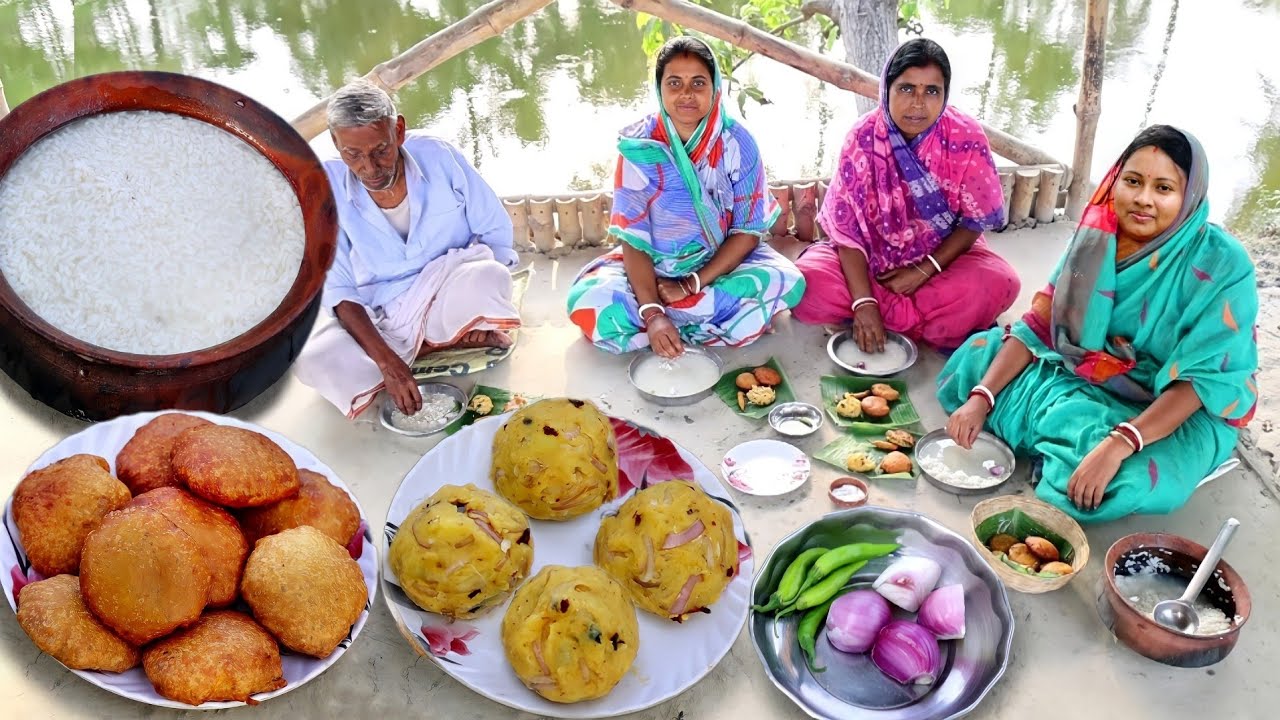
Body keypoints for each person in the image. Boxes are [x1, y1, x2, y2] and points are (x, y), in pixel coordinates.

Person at [939, 125, 1259, 523]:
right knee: (972, 363)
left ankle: (1064, 440)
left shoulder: (1223, 265)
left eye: (1163, 188)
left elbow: (1203, 381)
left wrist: (1121, 442)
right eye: (1133, 181)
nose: (1143, 200)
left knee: (1130, 481)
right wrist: (981, 397)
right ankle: (1059, 439)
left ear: (1189, 196)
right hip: (1087, 370)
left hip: (1171, 404)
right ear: (1115, 180)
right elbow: (1040, 326)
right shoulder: (1098, 237)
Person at [294, 79, 521, 418]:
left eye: (380, 150)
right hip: (383, 313)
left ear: (398, 130)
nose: (369, 169)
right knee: (311, 358)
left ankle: (444, 332)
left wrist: (487, 298)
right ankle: (438, 342)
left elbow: (495, 233)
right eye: (352, 154)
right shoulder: (325, 185)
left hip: (450, 287)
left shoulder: (437, 155)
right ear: (335, 143)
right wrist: (389, 364)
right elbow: (338, 289)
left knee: (488, 275)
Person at [566, 36, 805, 358]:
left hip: (718, 264)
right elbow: (633, 239)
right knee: (587, 301)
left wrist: (692, 283)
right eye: (675, 83)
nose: (686, 94)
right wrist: (652, 309)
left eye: (698, 83)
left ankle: (668, 326)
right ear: (659, 88)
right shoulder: (640, 147)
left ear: (715, 87)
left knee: (788, 280)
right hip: (651, 266)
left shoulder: (737, 141)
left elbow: (748, 231)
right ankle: (687, 323)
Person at [792, 38, 1019, 352]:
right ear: (887, 88)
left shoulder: (965, 137)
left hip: (941, 258)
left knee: (1000, 282)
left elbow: (973, 222)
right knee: (807, 282)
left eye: (931, 91)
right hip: (870, 259)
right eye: (906, 88)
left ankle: (882, 316)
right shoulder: (863, 138)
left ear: (945, 94)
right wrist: (863, 300)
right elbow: (846, 232)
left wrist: (925, 270)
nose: (918, 103)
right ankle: (915, 320)